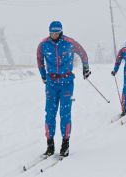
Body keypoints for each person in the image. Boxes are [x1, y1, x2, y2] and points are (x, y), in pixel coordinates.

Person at [37, 21, 91, 157]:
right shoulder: (43, 45)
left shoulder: (69, 42)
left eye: (56, 33)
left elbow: (83, 54)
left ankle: (65, 144)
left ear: (60, 32)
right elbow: (39, 61)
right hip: (51, 83)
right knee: (49, 113)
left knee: (65, 113)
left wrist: (86, 68)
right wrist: (43, 76)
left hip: (66, 82)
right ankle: (50, 145)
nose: (54, 35)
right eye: (51, 33)